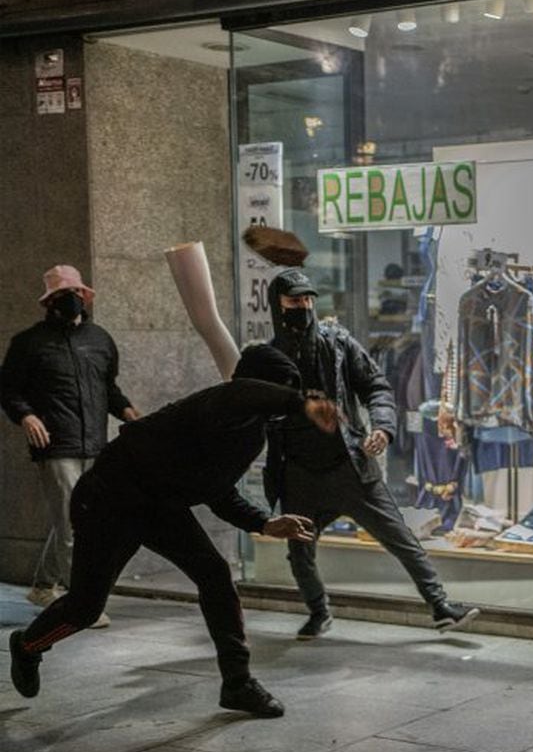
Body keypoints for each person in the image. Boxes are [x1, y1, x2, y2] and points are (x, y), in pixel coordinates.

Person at [8, 345, 333, 718]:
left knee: (214, 574)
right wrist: (301, 401)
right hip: (108, 500)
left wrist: (263, 523)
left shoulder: (251, 435)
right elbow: (242, 394)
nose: (276, 406)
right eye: (276, 392)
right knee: (84, 608)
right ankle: (29, 646)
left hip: (160, 507)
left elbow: (218, 491)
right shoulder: (218, 403)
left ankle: (238, 683)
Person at [263, 268, 476, 640]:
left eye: (309, 299)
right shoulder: (268, 357)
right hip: (299, 472)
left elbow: (376, 386)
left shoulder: (337, 342)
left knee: (400, 538)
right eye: (295, 301)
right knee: (300, 554)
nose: (305, 306)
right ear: (278, 305)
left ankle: (440, 606)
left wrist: (382, 427)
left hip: (351, 466)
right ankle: (318, 612)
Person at [2, 265, 138, 620]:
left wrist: (127, 411)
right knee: (74, 525)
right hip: (55, 444)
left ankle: (44, 586)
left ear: (85, 296)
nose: (71, 300)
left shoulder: (101, 340)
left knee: (74, 520)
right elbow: (8, 390)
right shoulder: (29, 343)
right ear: (49, 302)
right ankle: (83, 604)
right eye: (62, 296)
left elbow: (108, 389)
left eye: (75, 293)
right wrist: (26, 415)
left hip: (96, 443)